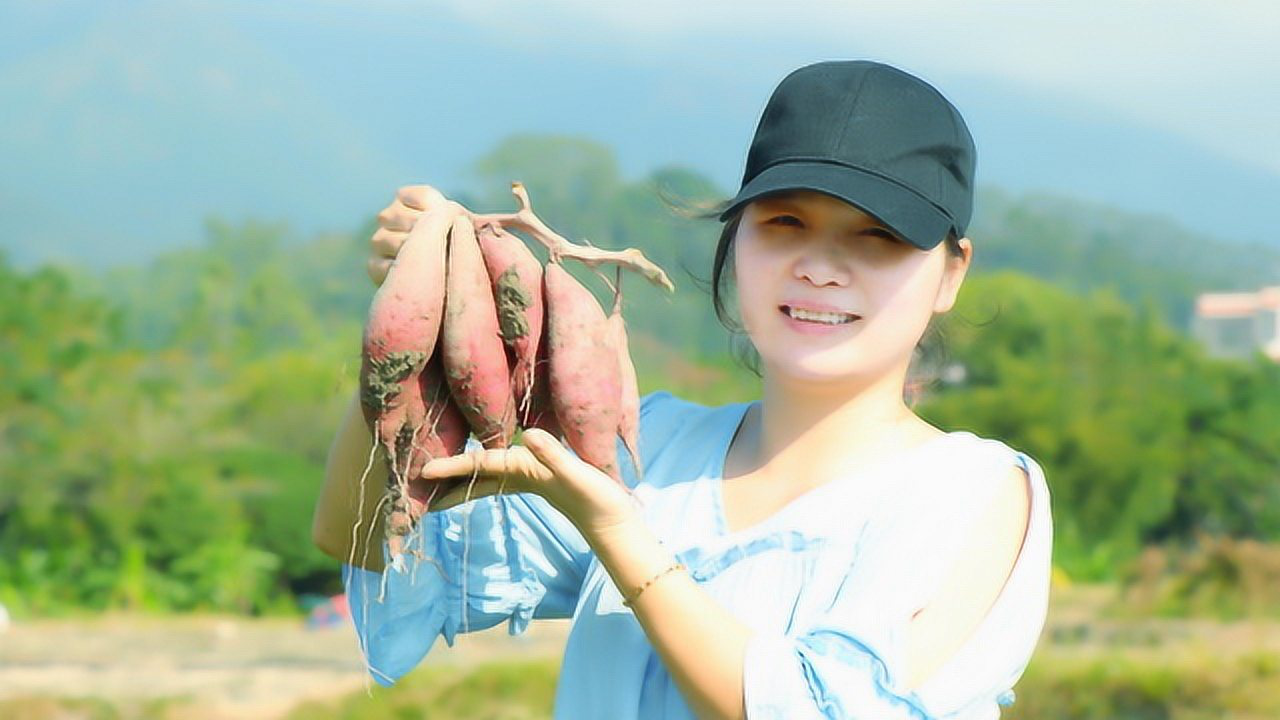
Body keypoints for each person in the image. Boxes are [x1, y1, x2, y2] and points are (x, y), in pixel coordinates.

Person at [313, 60, 1052, 719]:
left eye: (877, 237)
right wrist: (412, 320)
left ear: (952, 271)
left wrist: (617, 533)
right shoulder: (650, 448)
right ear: (737, 243)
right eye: (785, 222)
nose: (821, 267)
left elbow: (818, 710)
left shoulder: (976, 493)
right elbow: (377, 551)